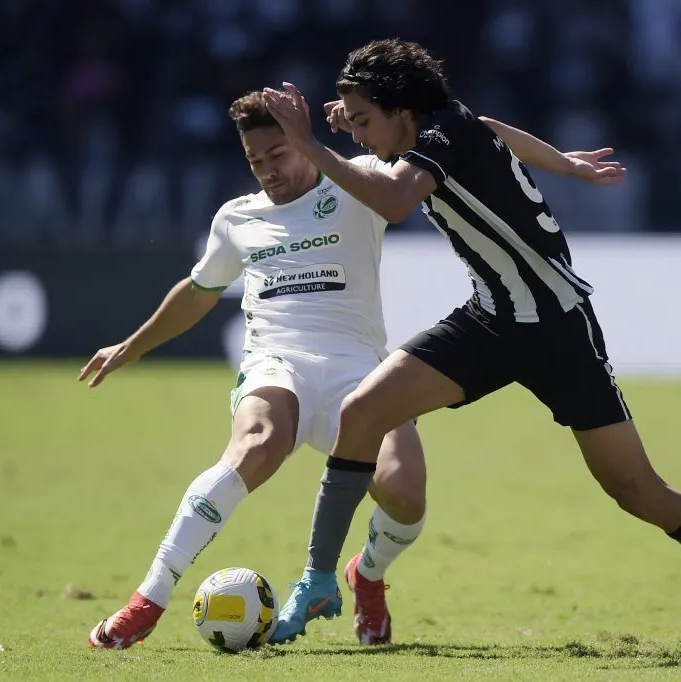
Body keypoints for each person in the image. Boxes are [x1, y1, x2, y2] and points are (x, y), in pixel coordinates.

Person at [261, 39, 681, 656]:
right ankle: (320, 580)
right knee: (361, 412)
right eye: (348, 123)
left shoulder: (437, 140)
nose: (354, 134)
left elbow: (396, 201)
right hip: (490, 321)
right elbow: (493, 130)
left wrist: (310, 146)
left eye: (362, 121)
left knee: (636, 490)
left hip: (560, 329)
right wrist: (564, 163)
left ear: (403, 108)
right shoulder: (446, 127)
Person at [79, 89, 617, 649]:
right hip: (275, 363)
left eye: (277, 155)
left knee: (406, 494)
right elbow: (198, 291)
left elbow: (475, 132)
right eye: (255, 161)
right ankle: (148, 600)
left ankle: (367, 574)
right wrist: (133, 346)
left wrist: (565, 163)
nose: (267, 171)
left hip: (359, 371)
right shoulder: (236, 219)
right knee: (257, 444)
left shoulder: (358, 182)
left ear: (301, 144)